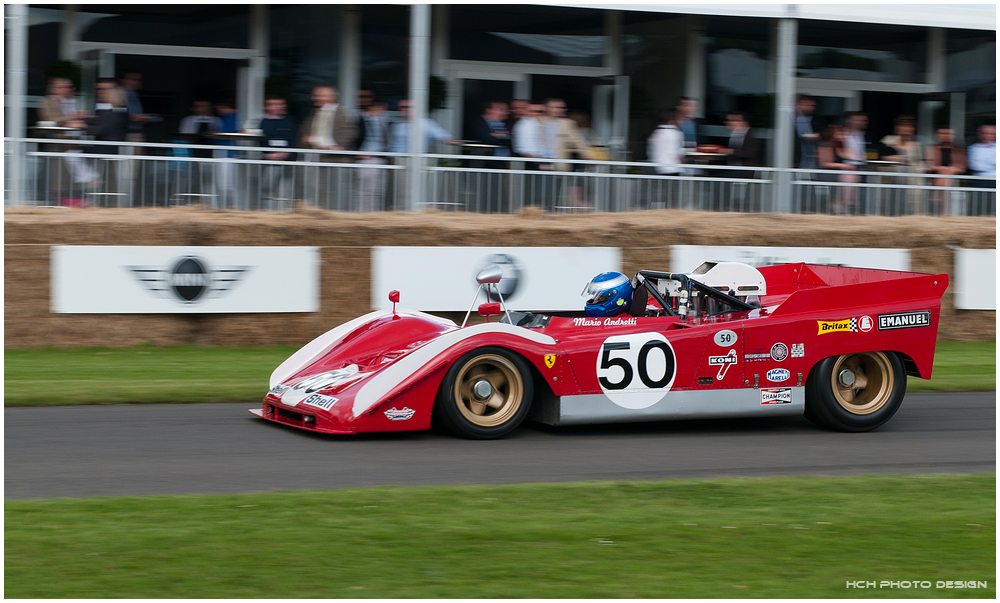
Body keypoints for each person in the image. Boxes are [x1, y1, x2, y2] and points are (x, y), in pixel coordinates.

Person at [38, 77, 100, 195]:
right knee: (61, 174)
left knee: (71, 169)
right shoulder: (46, 102)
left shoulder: (70, 102)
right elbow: (49, 119)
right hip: (58, 144)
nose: (72, 89)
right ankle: (90, 179)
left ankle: (88, 182)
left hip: (73, 142)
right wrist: (73, 116)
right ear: (56, 89)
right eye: (69, 87)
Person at [259, 96, 299, 208]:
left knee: (286, 189)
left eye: (281, 104)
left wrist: (284, 154)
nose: (279, 106)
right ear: (266, 107)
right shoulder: (263, 122)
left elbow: (294, 140)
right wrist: (269, 155)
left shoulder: (291, 121)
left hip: (287, 161)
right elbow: (262, 141)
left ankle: (284, 212)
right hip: (269, 161)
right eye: (275, 104)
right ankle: (267, 211)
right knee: (267, 188)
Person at [354, 97, 390, 212]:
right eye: (381, 108)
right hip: (366, 159)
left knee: (377, 191)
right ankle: (361, 213)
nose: (383, 111)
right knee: (363, 191)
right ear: (372, 107)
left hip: (379, 159)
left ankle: (374, 213)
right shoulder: (362, 120)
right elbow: (355, 137)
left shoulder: (382, 120)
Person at [925, 127, 966, 216]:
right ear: (937, 135)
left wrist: (951, 169)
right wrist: (943, 168)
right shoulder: (931, 148)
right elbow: (928, 165)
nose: (946, 136)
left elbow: (963, 166)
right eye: (942, 133)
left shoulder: (959, 150)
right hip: (936, 176)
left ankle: (938, 199)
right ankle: (946, 211)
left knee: (946, 175)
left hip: (954, 177)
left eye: (949, 134)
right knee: (945, 175)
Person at [966, 124, 995, 216]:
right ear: (979, 134)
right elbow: (976, 166)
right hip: (981, 181)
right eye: (985, 133)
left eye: (992, 133)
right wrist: (993, 161)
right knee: (978, 209)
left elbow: (982, 165)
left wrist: (986, 162)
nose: (988, 136)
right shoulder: (973, 148)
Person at [647, 110, 684, 176]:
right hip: (672, 169)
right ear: (671, 120)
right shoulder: (675, 133)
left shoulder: (655, 133)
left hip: (656, 169)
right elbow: (677, 153)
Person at [119, 71, 149, 143]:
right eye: (134, 79)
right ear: (123, 80)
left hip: (137, 132)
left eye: (140, 80)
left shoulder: (135, 95)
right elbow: (117, 115)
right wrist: (136, 118)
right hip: (126, 133)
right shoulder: (119, 95)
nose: (138, 82)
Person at [793, 95, 818, 169]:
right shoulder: (796, 119)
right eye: (808, 105)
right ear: (798, 105)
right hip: (795, 159)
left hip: (805, 158)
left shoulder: (808, 119)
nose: (812, 108)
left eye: (812, 105)